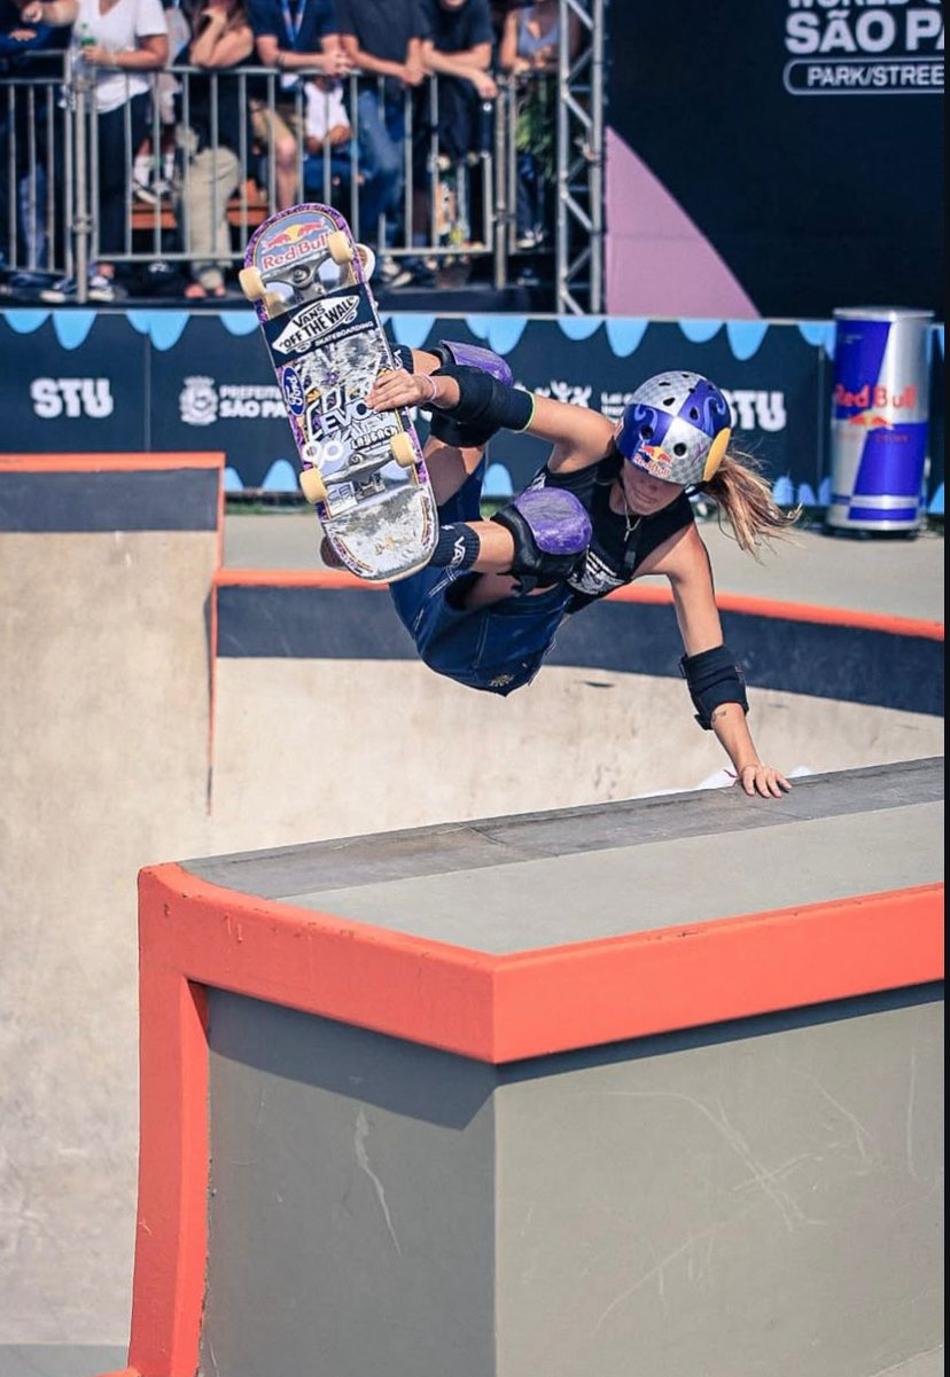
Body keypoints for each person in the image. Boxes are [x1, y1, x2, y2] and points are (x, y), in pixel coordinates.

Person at [364, 348, 796, 799]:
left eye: (668, 482)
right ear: (625, 443)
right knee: (479, 372)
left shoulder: (679, 547)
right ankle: (373, 378)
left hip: (483, 648)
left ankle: (409, 540)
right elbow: (499, 402)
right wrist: (425, 387)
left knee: (562, 527)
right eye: (641, 467)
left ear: (694, 479)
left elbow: (711, 668)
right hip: (430, 584)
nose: (649, 488)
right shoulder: (592, 439)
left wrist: (749, 763)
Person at [41, 0, 169, 302]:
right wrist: (37, 10)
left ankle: (105, 271)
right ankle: (72, 270)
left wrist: (111, 58)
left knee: (111, 184)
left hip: (122, 99)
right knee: (67, 183)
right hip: (76, 100)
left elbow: (158, 54)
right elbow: (59, 13)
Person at [335, 0, 425, 282]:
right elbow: (351, 53)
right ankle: (361, 239)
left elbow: (416, 42)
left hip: (399, 96)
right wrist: (397, 70)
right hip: (365, 93)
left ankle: (378, 255)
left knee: (396, 181)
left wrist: (412, 66)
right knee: (387, 166)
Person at [0, 0, 77, 289]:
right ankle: (16, 259)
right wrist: (12, 42)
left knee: (60, 183)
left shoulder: (56, 6)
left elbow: (51, 40)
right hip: (13, 108)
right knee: (9, 182)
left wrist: (13, 44)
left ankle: (60, 262)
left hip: (57, 105)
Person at [181, 0, 253, 298]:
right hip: (194, 131)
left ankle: (210, 278)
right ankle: (212, 275)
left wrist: (218, 20)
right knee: (195, 200)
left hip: (224, 133)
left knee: (198, 195)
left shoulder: (244, 33)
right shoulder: (198, 27)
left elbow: (202, 58)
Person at [250, 0, 348, 210]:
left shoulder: (321, 4)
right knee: (286, 148)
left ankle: (291, 216)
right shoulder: (262, 4)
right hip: (261, 99)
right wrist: (319, 61)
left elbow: (332, 51)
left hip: (296, 99)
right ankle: (286, 222)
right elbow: (269, 56)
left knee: (297, 160)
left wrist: (335, 62)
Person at [498, 0, 577, 249]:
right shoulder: (516, 17)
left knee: (554, 166)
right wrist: (544, 61)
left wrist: (530, 65)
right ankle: (525, 228)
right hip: (524, 107)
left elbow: (570, 61)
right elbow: (506, 61)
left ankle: (555, 231)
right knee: (519, 160)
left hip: (557, 107)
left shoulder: (572, 16)